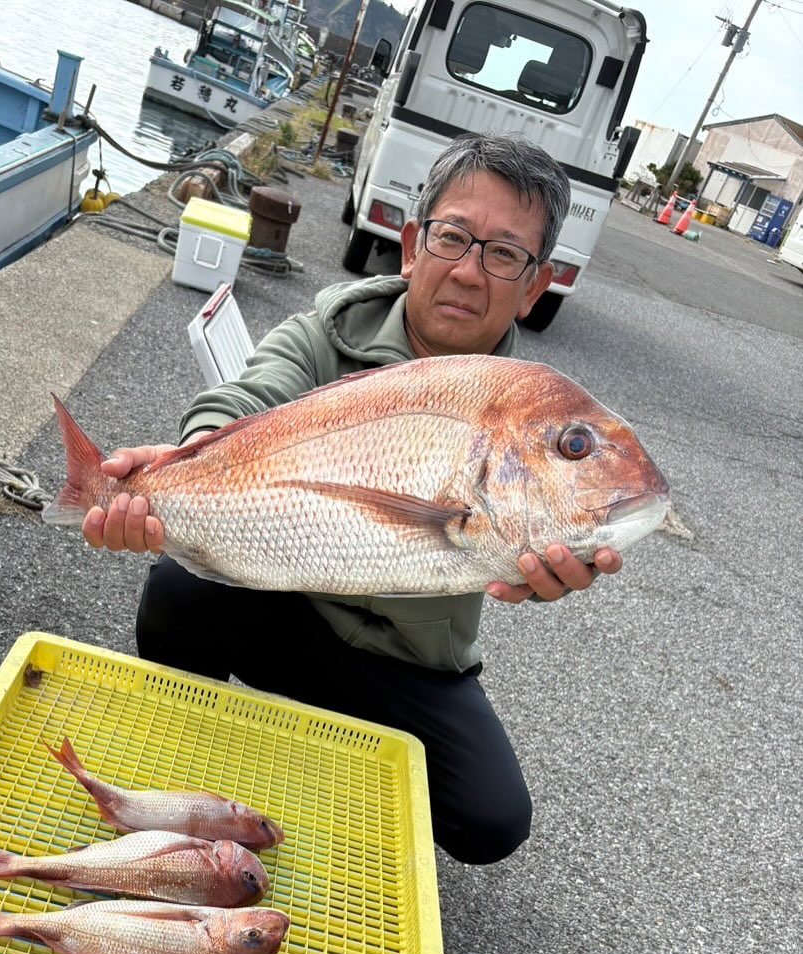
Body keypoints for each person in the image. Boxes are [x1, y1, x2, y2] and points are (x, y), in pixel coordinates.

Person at [80, 134, 624, 866]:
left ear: (534, 285)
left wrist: (551, 567)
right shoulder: (328, 332)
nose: (469, 271)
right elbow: (246, 396)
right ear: (411, 243)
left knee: (492, 820)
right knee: (179, 589)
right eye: (454, 236)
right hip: (284, 607)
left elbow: (525, 520)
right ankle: (195, 764)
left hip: (408, 658)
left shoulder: (525, 410)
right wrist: (182, 464)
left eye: (503, 254)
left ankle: (320, 754)